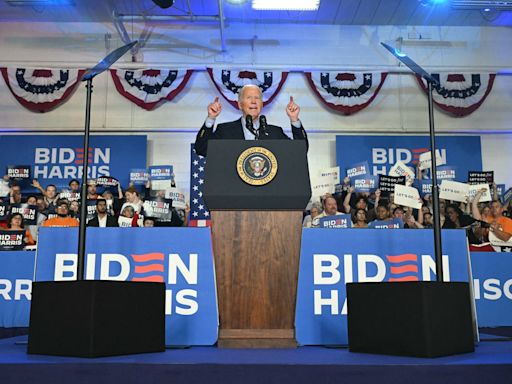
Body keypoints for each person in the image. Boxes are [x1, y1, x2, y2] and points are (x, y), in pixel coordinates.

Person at [194, 84, 308, 157]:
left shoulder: (275, 132)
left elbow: (300, 152)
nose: (253, 102)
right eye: (249, 98)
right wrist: (211, 118)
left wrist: (294, 119)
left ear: (262, 104)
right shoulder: (225, 130)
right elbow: (201, 149)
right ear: (240, 105)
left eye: (257, 98)